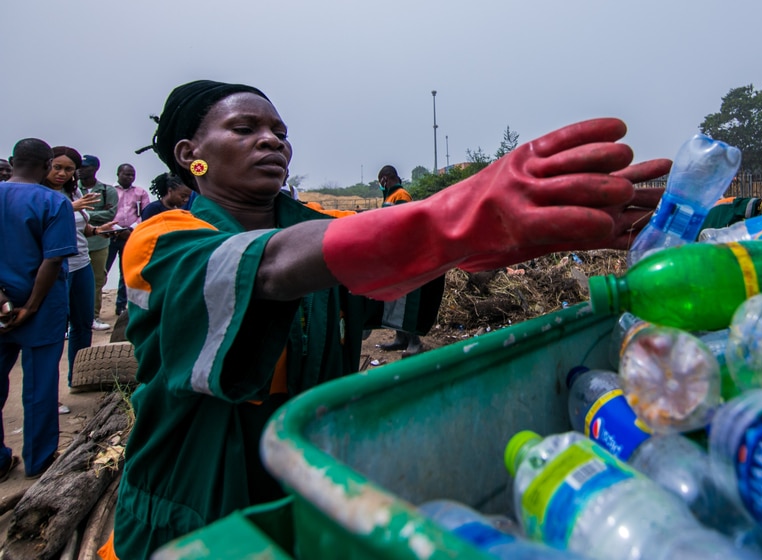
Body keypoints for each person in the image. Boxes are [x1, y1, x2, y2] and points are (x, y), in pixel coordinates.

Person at [108, 79, 669, 558]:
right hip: (194, 501)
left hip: (304, 481)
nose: (272, 140)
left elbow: (389, 266)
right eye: (244, 128)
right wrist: (454, 213)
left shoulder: (316, 226)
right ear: (189, 153)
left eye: (279, 131)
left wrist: (504, 237)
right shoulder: (159, 239)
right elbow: (273, 265)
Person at [0, 139, 78, 481]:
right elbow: (53, 258)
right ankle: (40, 460)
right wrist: (30, 307)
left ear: (13, 160)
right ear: (48, 165)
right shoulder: (53, 201)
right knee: (40, 385)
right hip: (41, 307)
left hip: (1, 306)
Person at [42, 147, 113, 395]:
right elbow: (40, 222)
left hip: (81, 262)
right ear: (46, 165)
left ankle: (79, 378)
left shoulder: (74, 191)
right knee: (53, 330)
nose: (62, 173)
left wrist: (99, 229)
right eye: (57, 167)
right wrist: (70, 207)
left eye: (68, 169)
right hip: (54, 269)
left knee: (82, 324)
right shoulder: (39, 193)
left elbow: (82, 228)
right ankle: (47, 394)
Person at [375, 165, 430, 354]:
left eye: (380, 181)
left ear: (386, 179)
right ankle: (400, 338)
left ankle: (414, 342)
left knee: (406, 301)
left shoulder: (401, 196)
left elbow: (402, 224)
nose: (380, 185)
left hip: (403, 255)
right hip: (392, 255)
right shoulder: (390, 196)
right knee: (395, 299)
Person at [104, 163, 150, 318]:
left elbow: (145, 213)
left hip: (130, 235)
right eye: (127, 174)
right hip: (111, 235)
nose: (130, 177)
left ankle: (121, 305)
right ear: (118, 174)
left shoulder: (140, 192)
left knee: (126, 271)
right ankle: (94, 308)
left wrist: (131, 229)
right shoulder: (109, 191)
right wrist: (117, 229)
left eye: (132, 174)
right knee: (104, 269)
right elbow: (106, 212)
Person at [78, 154, 118, 331]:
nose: (80, 169)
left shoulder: (107, 191)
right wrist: (91, 213)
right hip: (78, 241)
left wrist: (82, 212)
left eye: (85, 166)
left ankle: (93, 316)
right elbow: (68, 210)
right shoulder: (73, 189)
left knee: (97, 280)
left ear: (95, 169)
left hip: (99, 243)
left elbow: (110, 215)